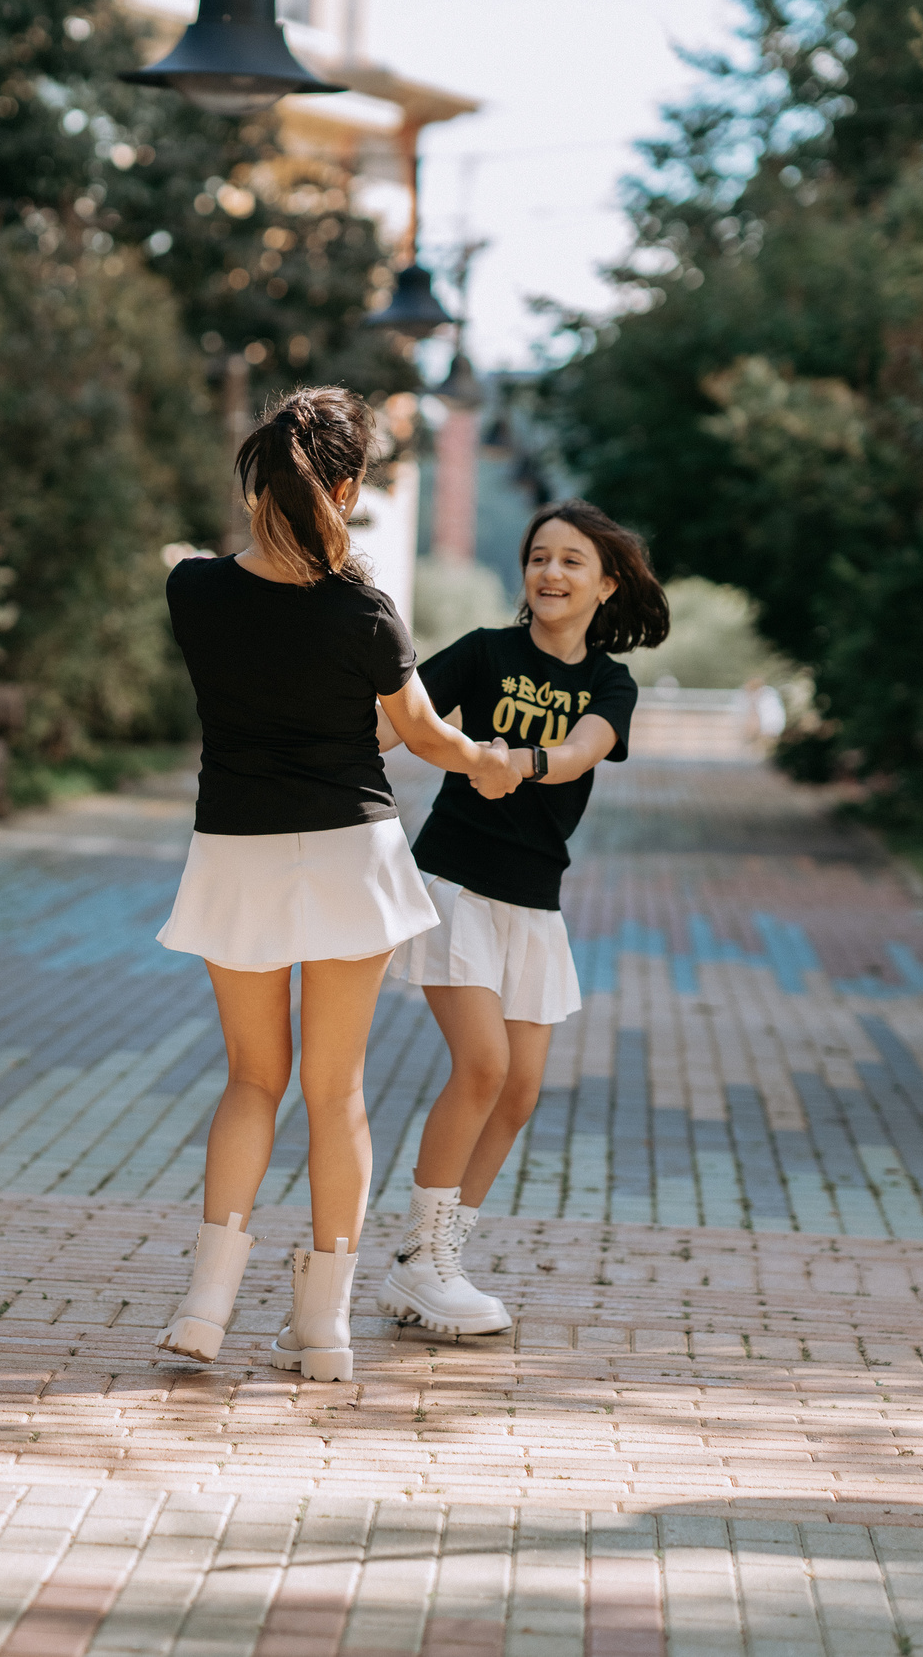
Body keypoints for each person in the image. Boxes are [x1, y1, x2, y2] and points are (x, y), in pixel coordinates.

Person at [152, 386, 509, 1383]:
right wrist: (487, 760)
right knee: (335, 1089)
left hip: (237, 853)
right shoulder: (366, 612)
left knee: (250, 1080)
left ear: (256, 484)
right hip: (353, 855)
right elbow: (426, 737)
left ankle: (204, 1307)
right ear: (345, 490)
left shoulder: (192, 591)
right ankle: (323, 1334)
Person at [373, 499, 671, 1338]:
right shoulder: (484, 652)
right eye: (540, 557)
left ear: (606, 585)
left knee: (519, 1091)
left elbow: (579, 752)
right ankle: (420, 1260)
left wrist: (517, 762)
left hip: (535, 900)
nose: (551, 572)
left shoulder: (610, 682)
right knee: (482, 1067)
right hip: (455, 884)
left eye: (572, 560)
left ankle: (434, 1260)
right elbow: (395, 723)